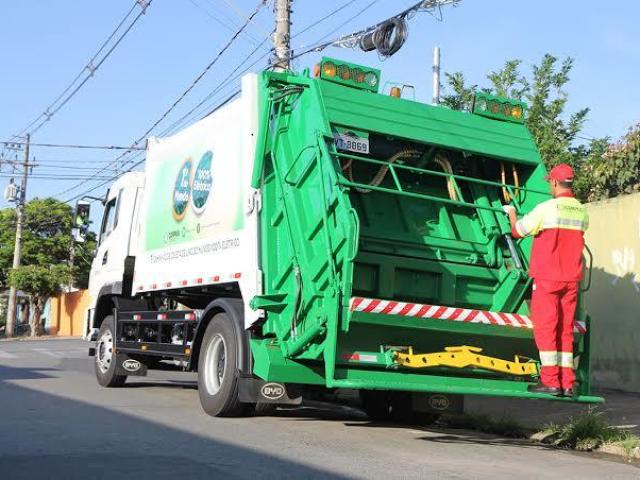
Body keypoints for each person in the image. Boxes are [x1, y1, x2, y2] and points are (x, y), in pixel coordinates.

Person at [502, 163, 589, 396]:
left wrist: (510, 213)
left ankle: (550, 381)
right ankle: (568, 383)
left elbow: (518, 231)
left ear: (553, 182)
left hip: (548, 278)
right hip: (571, 280)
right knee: (565, 329)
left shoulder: (547, 208)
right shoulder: (581, 211)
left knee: (546, 327)